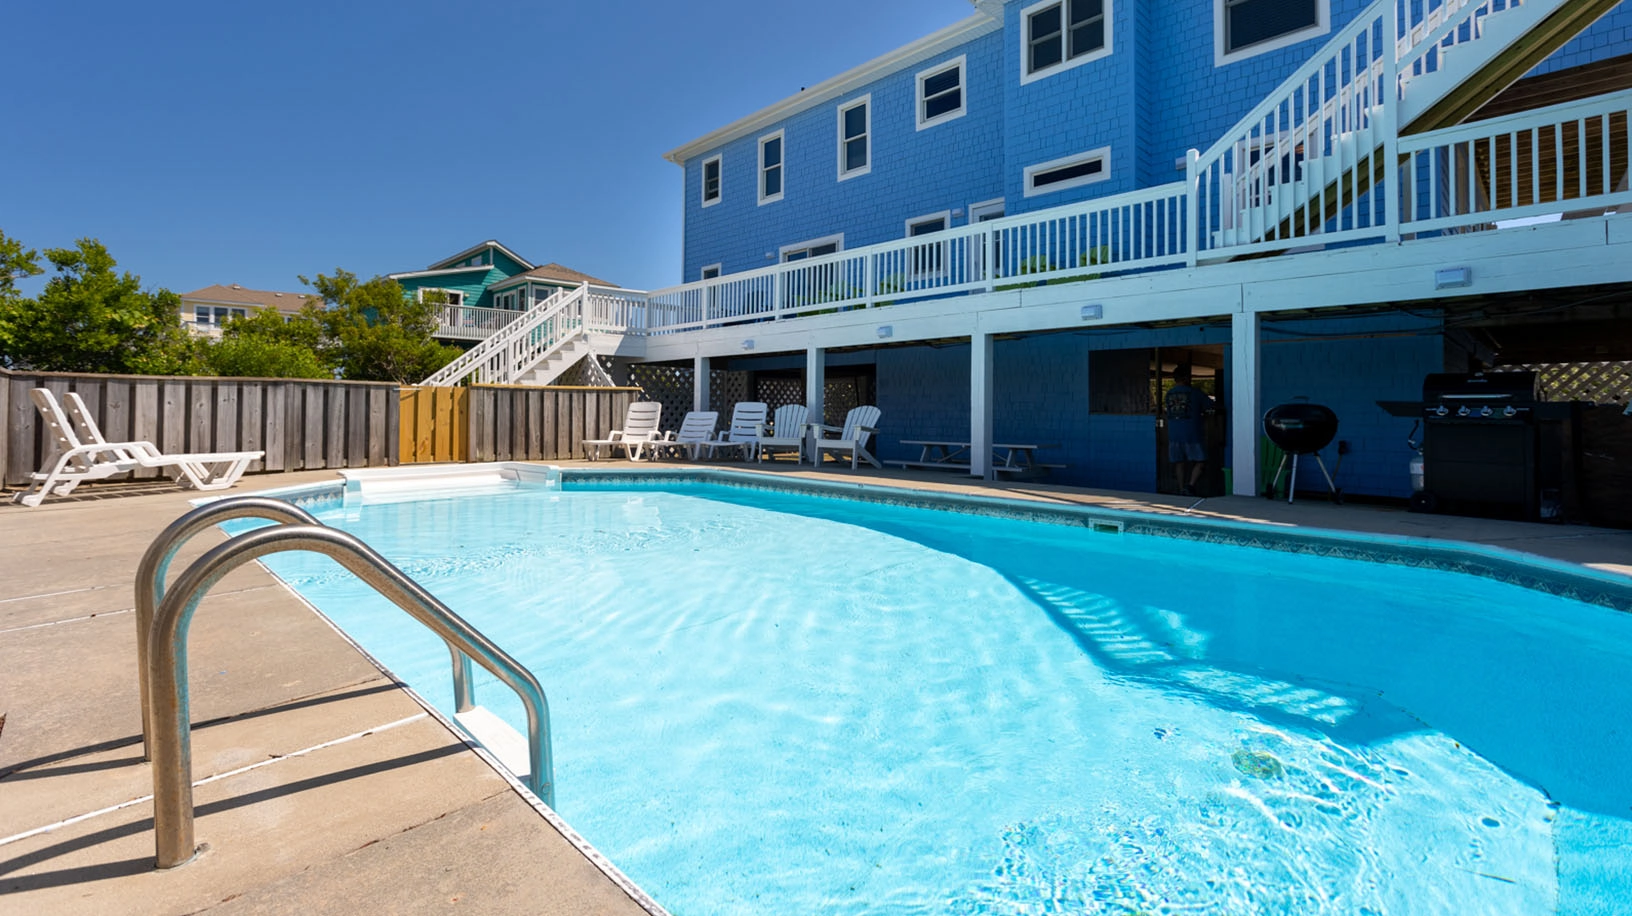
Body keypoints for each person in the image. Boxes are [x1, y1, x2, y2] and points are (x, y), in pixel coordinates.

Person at [1164, 365, 1214, 496]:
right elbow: (1211, 405)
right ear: (1186, 377)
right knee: (1201, 461)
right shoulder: (1195, 393)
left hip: (1174, 434)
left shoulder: (1169, 394)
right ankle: (1190, 486)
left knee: (1179, 462)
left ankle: (1181, 489)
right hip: (1192, 433)